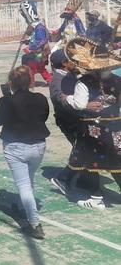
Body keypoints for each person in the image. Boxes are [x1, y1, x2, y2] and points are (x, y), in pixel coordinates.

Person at [58, 37, 121, 210]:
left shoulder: (84, 83)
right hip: (116, 128)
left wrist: (67, 98)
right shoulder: (117, 81)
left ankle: (96, 198)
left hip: (94, 129)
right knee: (118, 161)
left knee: (91, 163)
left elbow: (78, 104)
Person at [0, 66, 49, 239]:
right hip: (38, 146)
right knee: (29, 180)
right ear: (30, 82)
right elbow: (43, 116)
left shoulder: (7, 101)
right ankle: (23, 206)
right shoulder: (40, 98)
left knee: (24, 185)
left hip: (15, 146)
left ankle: (34, 223)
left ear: (11, 83)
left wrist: (6, 99)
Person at [46, 49, 80, 194]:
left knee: (83, 147)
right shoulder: (57, 80)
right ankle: (64, 178)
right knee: (82, 148)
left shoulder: (71, 74)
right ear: (64, 63)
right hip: (68, 120)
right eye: (71, 59)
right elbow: (61, 99)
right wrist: (82, 103)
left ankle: (81, 177)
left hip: (77, 117)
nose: (75, 61)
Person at [19, 1, 52, 85]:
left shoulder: (39, 28)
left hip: (40, 53)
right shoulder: (36, 28)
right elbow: (34, 39)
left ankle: (30, 82)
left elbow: (41, 41)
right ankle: (50, 80)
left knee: (31, 67)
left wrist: (31, 48)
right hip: (38, 53)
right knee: (40, 68)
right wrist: (26, 41)